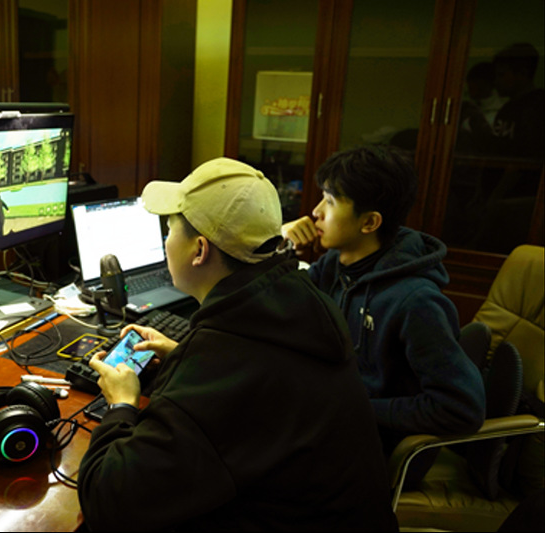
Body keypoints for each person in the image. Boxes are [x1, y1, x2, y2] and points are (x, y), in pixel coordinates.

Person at [78, 157, 398, 531]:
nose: (165, 243)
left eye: (169, 231)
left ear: (199, 250)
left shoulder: (226, 359)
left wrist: (121, 404)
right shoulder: (301, 299)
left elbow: (107, 499)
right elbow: (263, 387)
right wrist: (183, 355)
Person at [281, 145, 485, 478]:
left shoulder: (415, 302)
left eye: (330, 201)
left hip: (379, 451)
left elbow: (461, 409)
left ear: (370, 222)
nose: (315, 212)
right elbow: (280, 308)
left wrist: (352, 406)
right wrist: (283, 249)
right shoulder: (335, 266)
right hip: (335, 424)